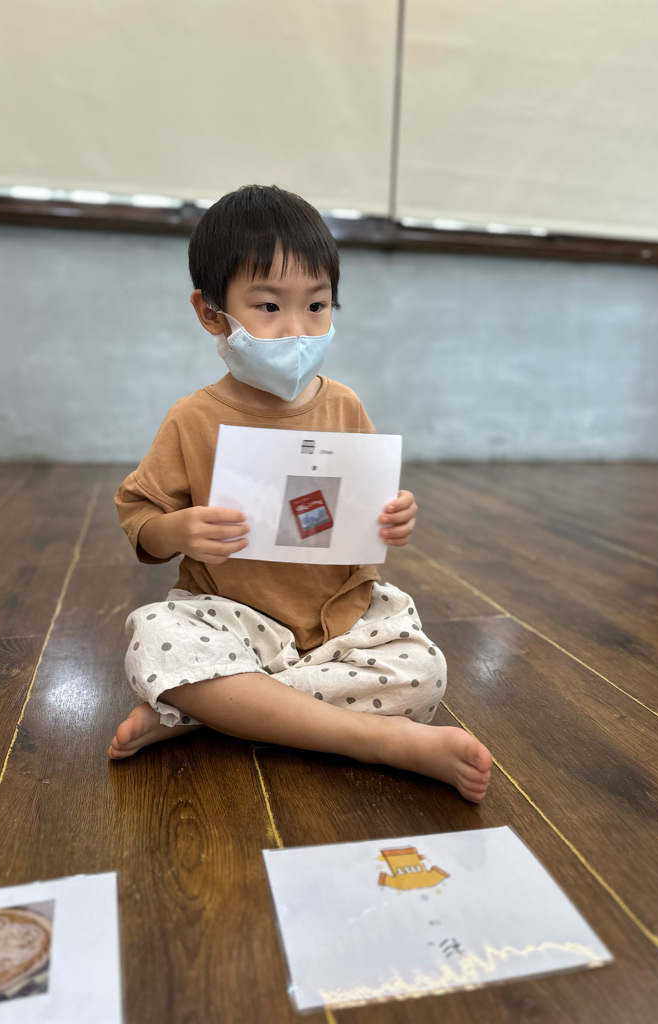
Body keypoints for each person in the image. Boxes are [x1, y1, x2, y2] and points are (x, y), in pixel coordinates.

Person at [108, 185, 492, 802]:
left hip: (340, 619)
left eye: (317, 305)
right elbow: (141, 516)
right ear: (211, 313)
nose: (297, 330)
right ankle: (375, 738)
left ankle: (206, 709)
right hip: (231, 616)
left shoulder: (344, 406)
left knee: (424, 673)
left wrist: (395, 516)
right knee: (156, 636)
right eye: (268, 306)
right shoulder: (192, 418)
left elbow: (368, 501)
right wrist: (176, 530)